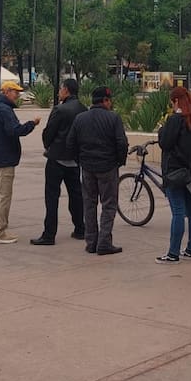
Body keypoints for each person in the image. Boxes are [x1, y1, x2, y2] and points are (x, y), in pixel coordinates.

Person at [70, 85, 128, 255]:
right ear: (105, 101)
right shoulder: (113, 118)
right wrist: (119, 161)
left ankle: (91, 242)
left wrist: (80, 160)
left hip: (87, 167)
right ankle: (104, 242)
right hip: (108, 167)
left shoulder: (80, 118)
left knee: (89, 204)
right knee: (109, 204)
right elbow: (121, 143)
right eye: (109, 101)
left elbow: (71, 143)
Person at [0, 80, 39, 245]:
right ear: (6, 91)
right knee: (3, 197)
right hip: (4, 159)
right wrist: (31, 124)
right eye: (15, 91)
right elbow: (15, 130)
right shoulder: (6, 110)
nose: (17, 95)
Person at [32, 78, 86, 245]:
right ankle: (80, 229)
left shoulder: (60, 109)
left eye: (60, 88)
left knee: (52, 197)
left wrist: (49, 147)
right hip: (75, 160)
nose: (58, 92)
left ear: (66, 90)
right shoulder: (84, 109)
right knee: (76, 196)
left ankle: (49, 234)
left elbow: (49, 133)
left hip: (57, 158)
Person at [156, 85, 191, 263]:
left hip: (175, 171)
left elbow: (166, 143)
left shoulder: (175, 119)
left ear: (175, 101)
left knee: (177, 212)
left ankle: (173, 253)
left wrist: (162, 130)